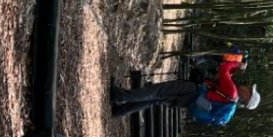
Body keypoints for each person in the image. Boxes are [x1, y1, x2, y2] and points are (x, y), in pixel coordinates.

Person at [110, 52, 260, 125]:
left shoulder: (232, 92)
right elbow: (222, 82)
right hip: (189, 103)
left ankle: (121, 96)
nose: (247, 87)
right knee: (154, 100)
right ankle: (120, 110)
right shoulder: (231, 103)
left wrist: (236, 64)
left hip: (191, 90)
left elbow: (223, 69)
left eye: (249, 91)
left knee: (157, 92)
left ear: (246, 98)